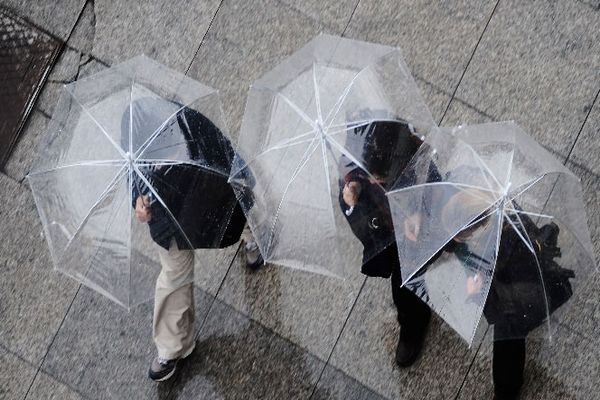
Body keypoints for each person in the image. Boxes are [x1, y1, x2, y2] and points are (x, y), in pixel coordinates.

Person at [125, 98, 260, 381]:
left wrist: (243, 181)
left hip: (209, 195)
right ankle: (172, 348)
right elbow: (132, 179)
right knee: (173, 278)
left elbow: (226, 157)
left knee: (238, 218)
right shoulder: (132, 137)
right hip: (169, 222)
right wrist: (137, 203)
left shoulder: (189, 123)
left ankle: (254, 235)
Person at [430, 188, 573, 400]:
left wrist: (478, 292)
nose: (455, 241)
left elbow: (499, 305)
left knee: (508, 335)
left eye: (458, 236)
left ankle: (507, 390)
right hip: (512, 270)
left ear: (474, 232)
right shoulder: (492, 208)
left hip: (528, 294)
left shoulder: (505, 250)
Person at [338, 116, 439, 367]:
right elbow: (362, 230)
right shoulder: (354, 171)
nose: (372, 181)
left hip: (421, 234)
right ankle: (413, 321)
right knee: (403, 286)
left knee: (412, 283)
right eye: (369, 177)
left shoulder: (413, 158)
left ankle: (416, 321)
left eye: (377, 179)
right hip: (391, 242)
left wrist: (416, 210)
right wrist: (354, 207)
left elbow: (437, 189)